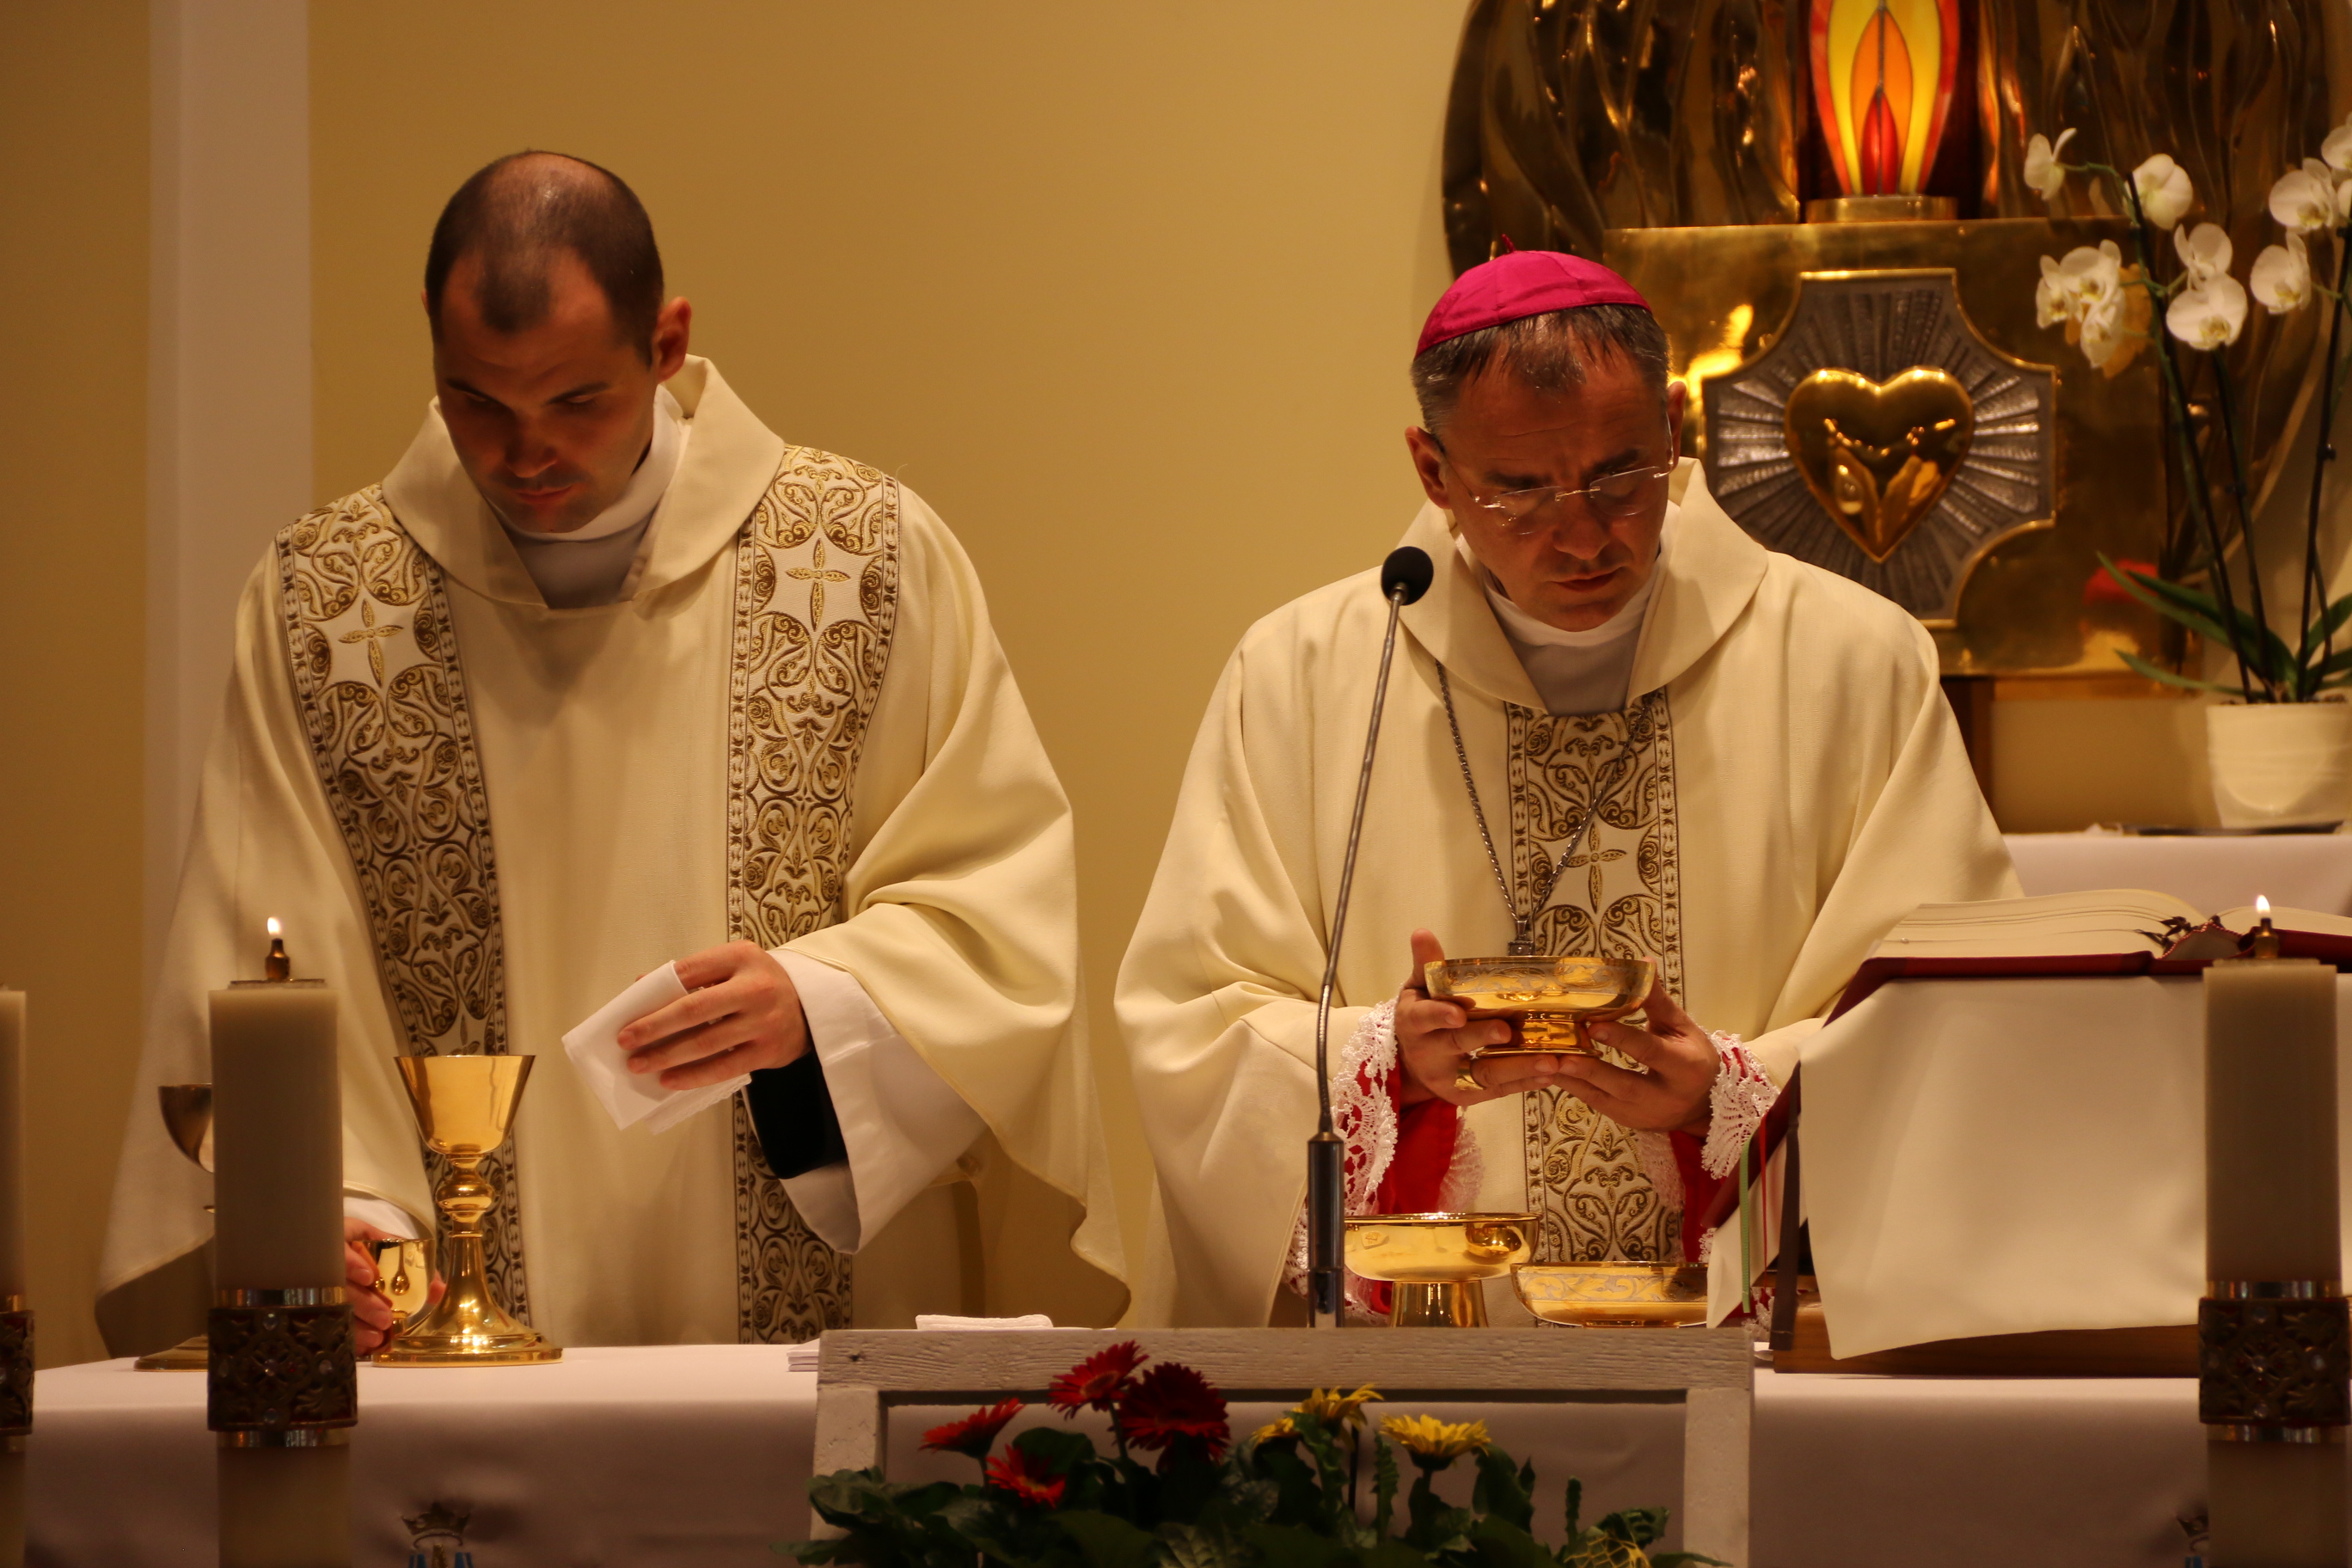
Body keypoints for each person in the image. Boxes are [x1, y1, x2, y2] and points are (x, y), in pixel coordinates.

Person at [101, 151, 1122, 1352]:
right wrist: (336, 1214)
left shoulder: (866, 561)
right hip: (444, 1351)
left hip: (808, 1343)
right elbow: (265, 948)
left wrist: (826, 1005)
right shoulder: (327, 608)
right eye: (478, 402)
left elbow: (996, 904)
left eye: (576, 401)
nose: (524, 453)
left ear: (667, 343)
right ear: (431, 340)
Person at [1117, 249, 2016, 1326]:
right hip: (1430, 1358)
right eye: (1521, 492)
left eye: (1621, 477)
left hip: (1750, 1343)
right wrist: (1384, 1060)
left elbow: (1953, 1013)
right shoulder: (1302, 677)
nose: (1584, 535)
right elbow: (1191, 1025)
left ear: (1674, 427)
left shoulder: (1854, 661)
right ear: (1433, 471)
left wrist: (1734, 1096)